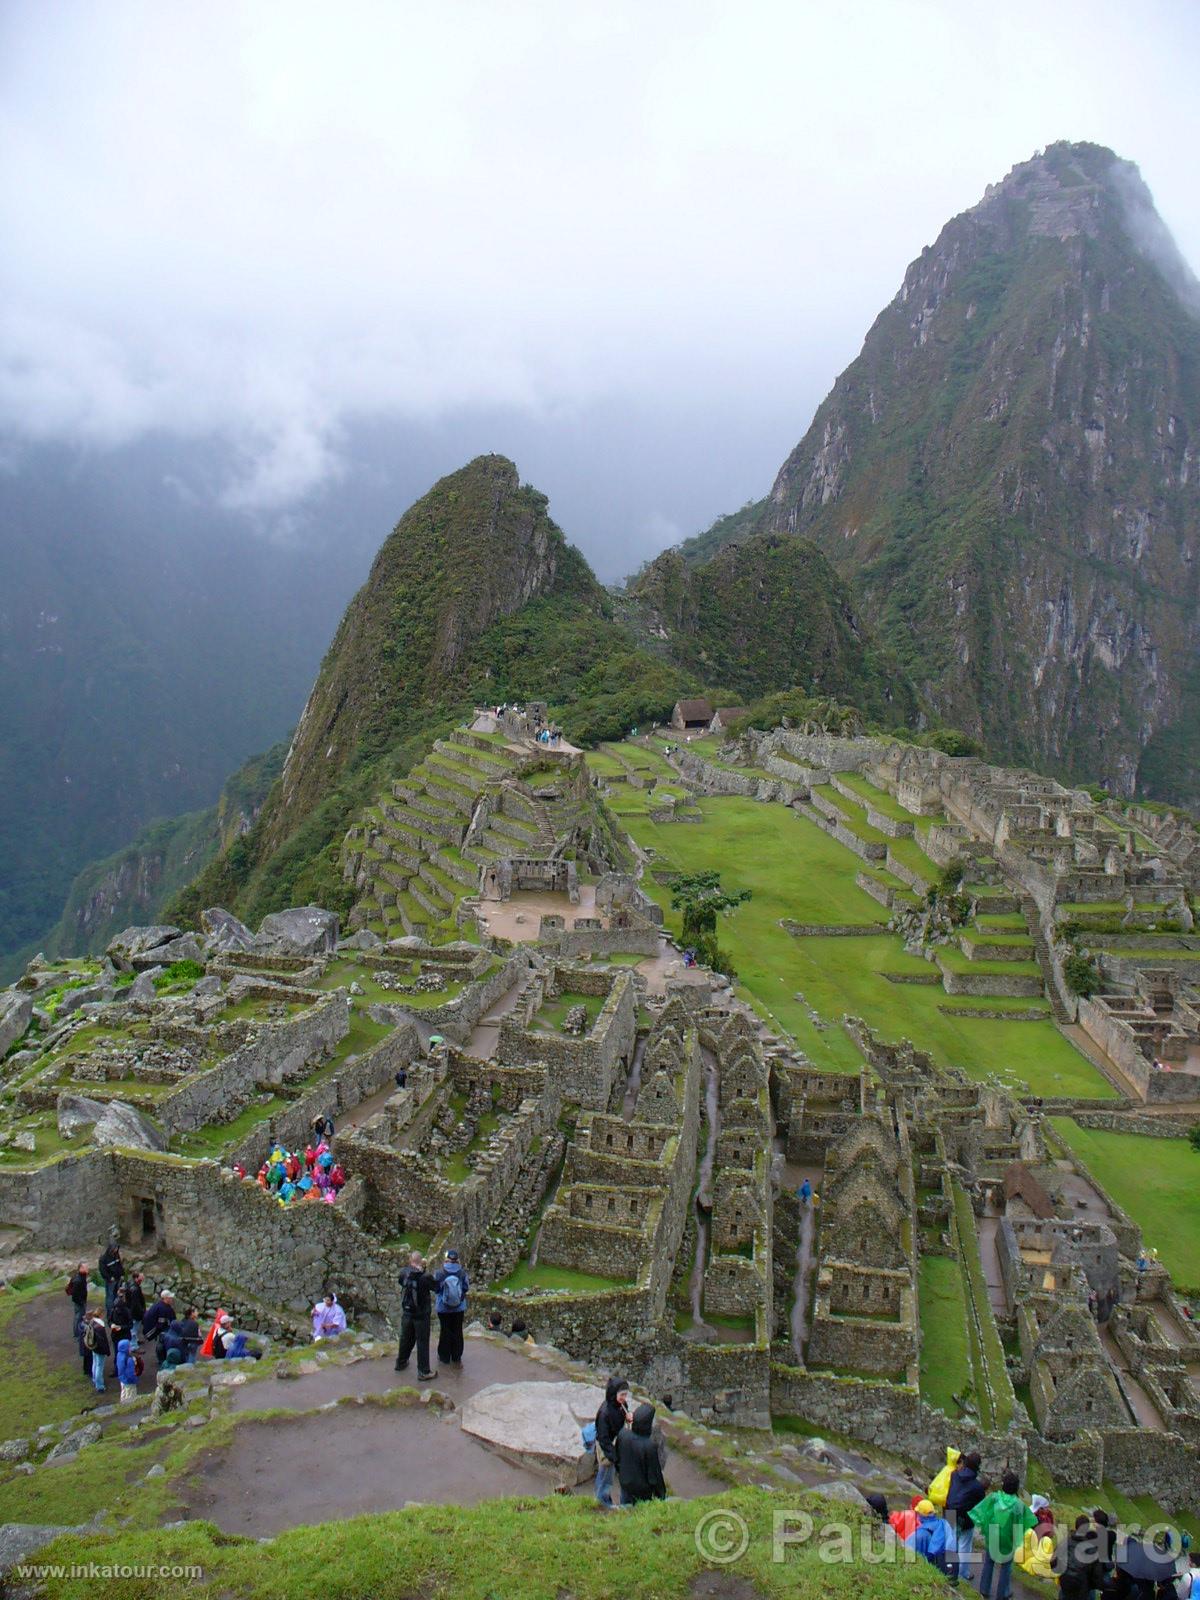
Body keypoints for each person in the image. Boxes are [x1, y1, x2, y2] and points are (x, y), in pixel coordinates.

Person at [970, 1470, 1036, 1600]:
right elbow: (1027, 1522)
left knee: (989, 1562)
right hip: (1008, 1541)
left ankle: (984, 1590)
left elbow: (981, 1513)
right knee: (1006, 1567)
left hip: (993, 1536)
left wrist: (985, 1528)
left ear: (1003, 1485)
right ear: (1016, 1487)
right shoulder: (1018, 1505)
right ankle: (1002, 1594)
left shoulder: (994, 1498)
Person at [944, 1450, 988, 1586]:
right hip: (966, 1518)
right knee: (964, 1546)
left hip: (950, 1512)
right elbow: (980, 1506)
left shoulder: (954, 1475)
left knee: (951, 1542)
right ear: (978, 1467)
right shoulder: (978, 1487)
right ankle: (962, 1574)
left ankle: (948, 1569)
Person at [613, 1402, 667, 1506]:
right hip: (642, 1490)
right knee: (640, 1511)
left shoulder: (623, 1434)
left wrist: (621, 1474)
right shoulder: (649, 1446)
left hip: (625, 1482)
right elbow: (654, 1475)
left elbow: (617, 1459)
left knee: (625, 1507)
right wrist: (661, 1494)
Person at [395, 1252, 437, 1380]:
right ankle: (423, 1371)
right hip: (421, 1313)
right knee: (422, 1341)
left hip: (407, 1311)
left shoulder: (404, 1273)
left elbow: (401, 1282)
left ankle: (401, 1362)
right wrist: (424, 1270)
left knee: (405, 1338)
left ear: (410, 1260)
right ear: (421, 1261)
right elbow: (436, 1287)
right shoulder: (425, 1277)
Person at [593, 1376, 631, 1509]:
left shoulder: (621, 1405)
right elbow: (603, 1438)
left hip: (614, 1444)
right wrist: (613, 1456)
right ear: (614, 1393)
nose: (624, 1398)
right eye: (622, 1395)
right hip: (607, 1447)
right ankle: (600, 1502)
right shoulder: (605, 1413)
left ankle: (604, 1499)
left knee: (608, 1476)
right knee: (605, 1475)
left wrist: (628, 1418)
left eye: (625, 1395)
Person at [435, 1249, 469, 1368]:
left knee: (445, 1330)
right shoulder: (462, 1273)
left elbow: (436, 1289)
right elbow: (466, 1287)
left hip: (443, 1308)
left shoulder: (440, 1273)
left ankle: (444, 1356)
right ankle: (456, 1355)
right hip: (459, 1308)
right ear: (457, 1259)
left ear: (446, 1259)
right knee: (457, 1330)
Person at [1058, 1515, 1106, 1600]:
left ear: (1075, 1526)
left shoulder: (1065, 1541)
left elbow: (1053, 1561)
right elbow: (1097, 1575)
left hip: (1066, 1582)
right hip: (1081, 1587)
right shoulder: (1093, 1550)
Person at [906, 1501, 950, 1573]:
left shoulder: (920, 1534)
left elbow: (908, 1553)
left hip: (929, 1570)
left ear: (920, 1515)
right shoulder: (943, 1524)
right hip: (944, 1567)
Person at [83, 1310, 110, 1394]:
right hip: (99, 1349)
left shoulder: (92, 1323)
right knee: (99, 1366)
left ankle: (95, 1380)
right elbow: (103, 1341)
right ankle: (100, 1386)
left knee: (95, 1363)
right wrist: (107, 1351)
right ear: (101, 1315)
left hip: (94, 1347)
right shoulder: (100, 1327)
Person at [143, 1288, 176, 1354]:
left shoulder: (159, 1305)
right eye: (170, 1297)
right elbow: (161, 1324)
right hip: (163, 1331)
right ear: (166, 1298)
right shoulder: (163, 1308)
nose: (172, 1299)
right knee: (162, 1345)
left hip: (161, 1330)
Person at [98, 1241, 123, 1318]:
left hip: (118, 1278)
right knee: (110, 1297)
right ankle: (110, 1314)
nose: (116, 1250)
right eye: (115, 1248)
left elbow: (119, 1265)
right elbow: (102, 1270)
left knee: (117, 1295)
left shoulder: (116, 1255)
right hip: (110, 1281)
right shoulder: (104, 1259)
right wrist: (109, 1277)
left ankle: (116, 1312)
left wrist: (122, 1274)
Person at [67, 1263, 90, 1341]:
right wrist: (81, 1302)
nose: (87, 1269)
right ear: (81, 1268)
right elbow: (75, 1294)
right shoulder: (78, 1280)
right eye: (86, 1267)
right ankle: (77, 1334)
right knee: (79, 1317)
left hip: (81, 1301)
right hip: (80, 1302)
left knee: (79, 1317)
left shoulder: (81, 1277)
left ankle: (78, 1332)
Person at [115, 1330, 138, 1403]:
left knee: (124, 1393)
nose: (130, 1348)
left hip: (122, 1379)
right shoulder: (129, 1360)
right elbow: (131, 1373)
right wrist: (135, 1380)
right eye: (129, 1347)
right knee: (131, 1397)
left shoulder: (119, 1355)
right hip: (129, 1382)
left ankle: (122, 1404)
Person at [124, 1272, 147, 1344]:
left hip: (131, 1310)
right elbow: (136, 1304)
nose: (142, 1280)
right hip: (135, 1313)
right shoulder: (135, 1289)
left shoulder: (129, 1284)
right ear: (136, 1278)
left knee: (134, 1329)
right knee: (134, 1329)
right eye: (140, 1279)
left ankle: (136, 1341)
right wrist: (142, 1311)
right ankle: (133, 1346)